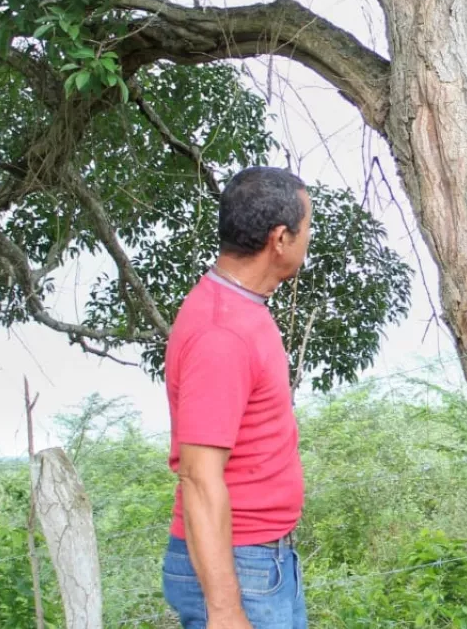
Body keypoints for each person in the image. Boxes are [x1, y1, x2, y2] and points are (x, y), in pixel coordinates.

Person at [161, 166, 313, 629]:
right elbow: (200, 477)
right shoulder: (221, 333)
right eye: (307, 228)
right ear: (280, 239)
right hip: (238, 567)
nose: (309, 239)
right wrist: (225, 612)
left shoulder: (243, 306)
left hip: (261, 559)